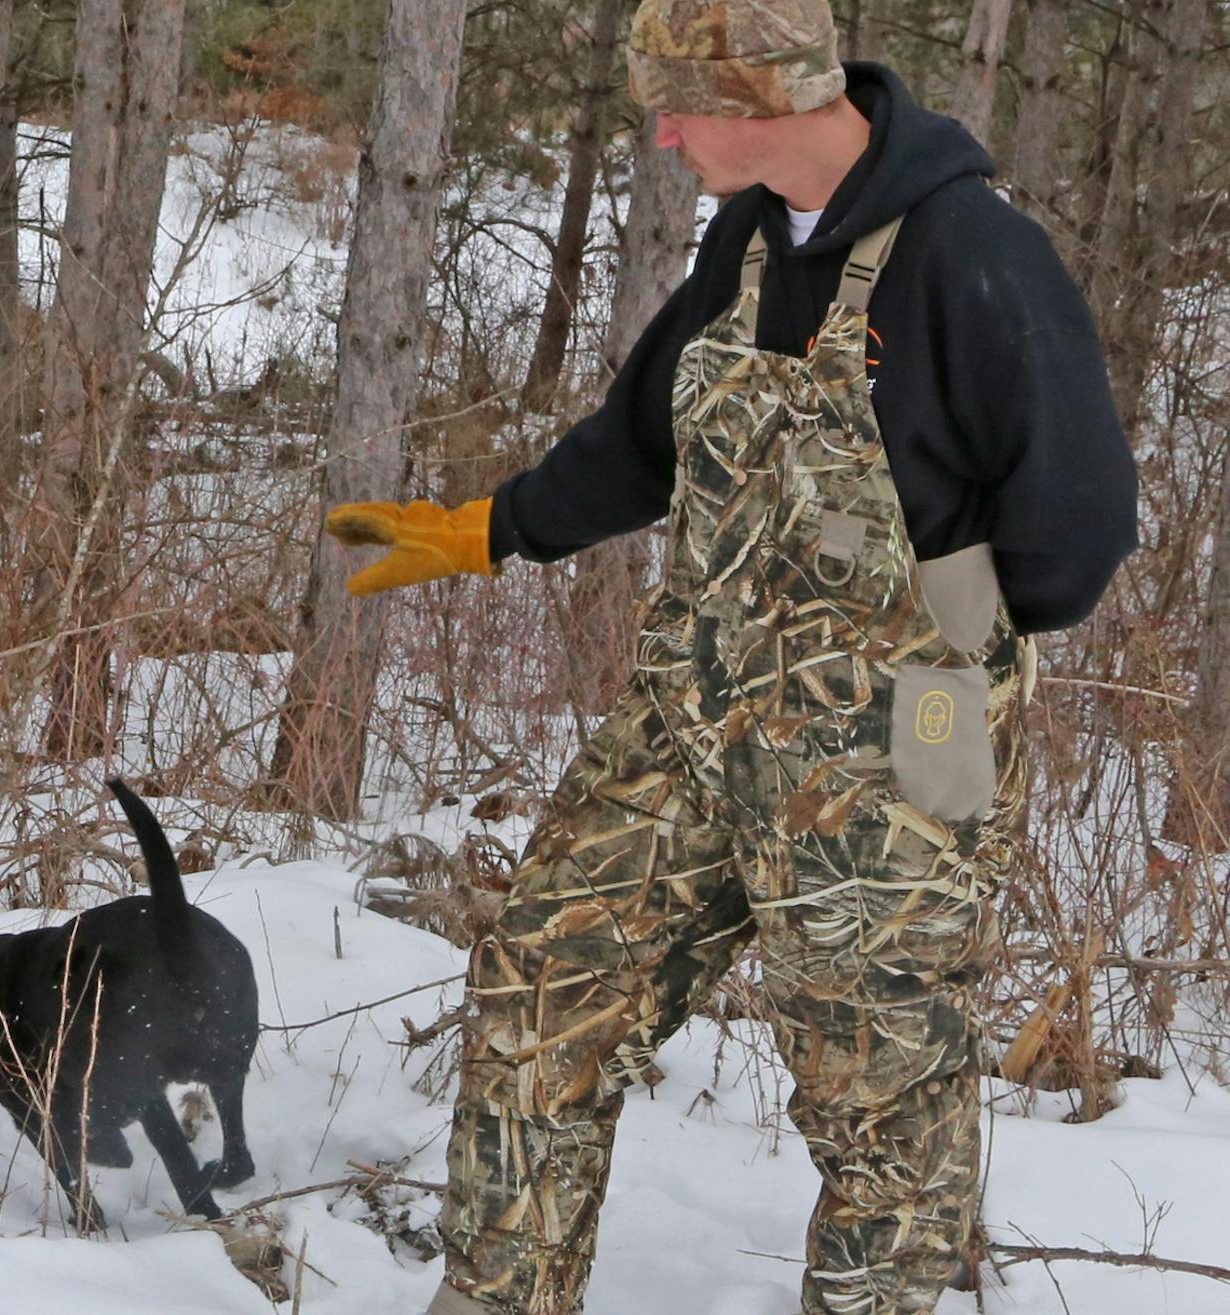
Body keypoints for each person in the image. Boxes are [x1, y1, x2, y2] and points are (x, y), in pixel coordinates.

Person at [323, 2, 1139, 1313]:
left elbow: (1082, 528)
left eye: (680, 104)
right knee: (546, 983)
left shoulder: (974, 257)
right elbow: (646, 442)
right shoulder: (750, 242)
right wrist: (492, 527)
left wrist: (934, 641)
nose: (662, 132)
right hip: (699, 717)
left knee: (878, 1081)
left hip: (906, 736)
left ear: (761, 99)